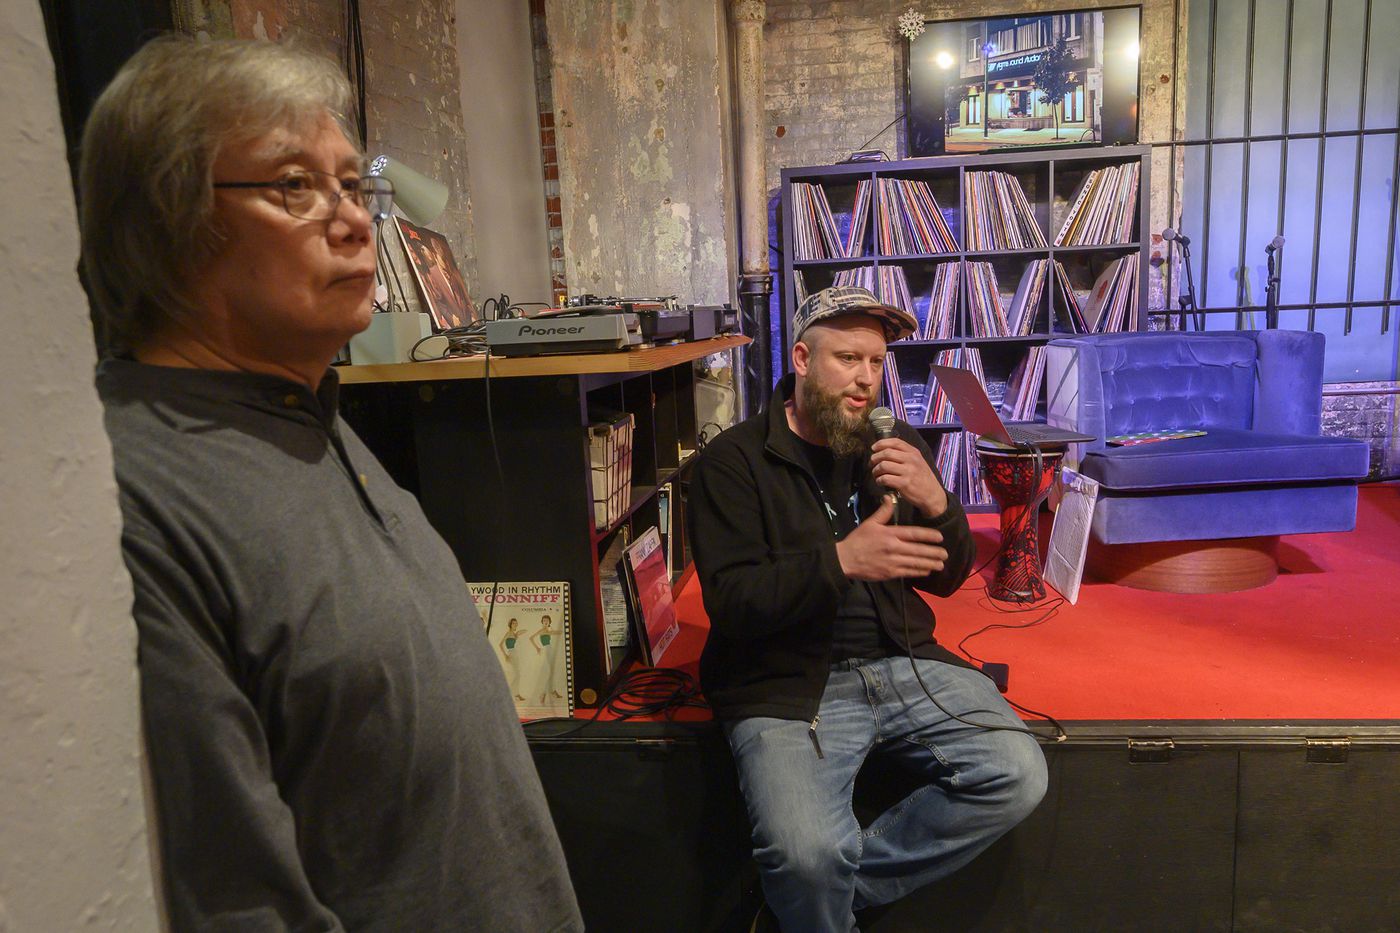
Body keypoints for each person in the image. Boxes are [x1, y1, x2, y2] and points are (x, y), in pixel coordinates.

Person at [80, 37, 582, 932]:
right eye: (294, 187)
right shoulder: (137, 490)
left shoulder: (309, 414)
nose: (355, 221)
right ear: (168, 218)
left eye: (353, 185)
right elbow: (234, 897)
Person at [687, 286, 1048, 931]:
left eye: (877, 363)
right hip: (787, 681)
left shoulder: (893, 445)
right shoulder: (731, 463)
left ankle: (815, 899)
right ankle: (810, 888)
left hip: (902, 660)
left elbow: (948, 577)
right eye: (848, 359)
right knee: (803, 854)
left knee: (1017, 774)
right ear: (801, 358)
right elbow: (734, 603)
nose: (866, 380)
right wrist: (842, 561)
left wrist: (937, 501)